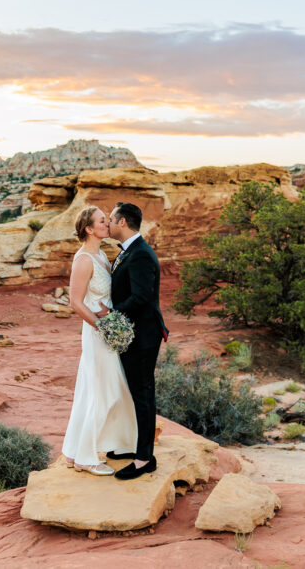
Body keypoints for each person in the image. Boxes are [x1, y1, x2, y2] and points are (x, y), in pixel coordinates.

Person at [61, 206, 138, 476]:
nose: (109, 224)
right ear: (89, 229)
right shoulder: (83, 260)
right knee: (102, 391)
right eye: (102, 221)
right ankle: (87, 457)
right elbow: (75, 302)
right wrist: (103, 326)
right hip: (97, 335)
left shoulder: (102, 255)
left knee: (99, 390)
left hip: (104, 333)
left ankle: (76, 451)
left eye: (108, 219)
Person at [100, 202, 168, 480]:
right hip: (135, 334)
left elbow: (141, 298)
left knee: (143, 394)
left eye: (112, 219)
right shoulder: (131, 251)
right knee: (136, 392)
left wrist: (110, 315)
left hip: (142, 336)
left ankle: (144, 459)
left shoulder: (139, 254)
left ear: (123, 222)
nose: (109, 224)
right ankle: (134, 447)